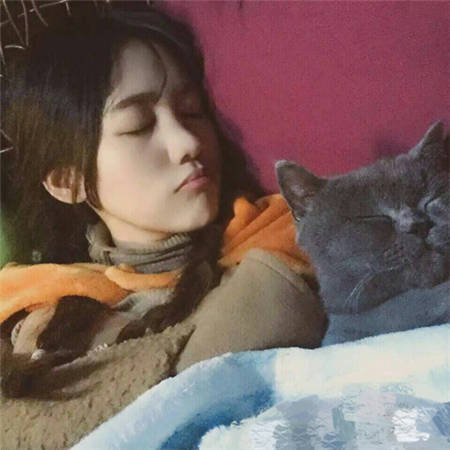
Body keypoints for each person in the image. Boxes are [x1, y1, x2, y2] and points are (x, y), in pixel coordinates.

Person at [0, 3, 325, 446]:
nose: (187, 142)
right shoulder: (38, 313)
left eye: (192, 111)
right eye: (138, 126)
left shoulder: (289, 246)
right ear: (66, 181)